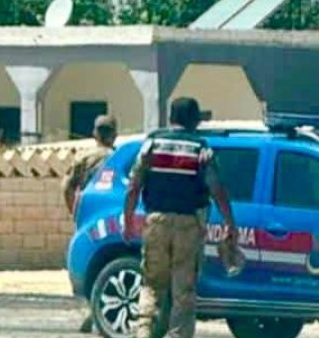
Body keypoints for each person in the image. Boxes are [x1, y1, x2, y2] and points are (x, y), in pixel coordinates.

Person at [124, 97, 237, 338]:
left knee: (152, 285)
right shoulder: (200, 148)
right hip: (188, 225)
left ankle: (143, 332)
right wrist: (230, 224)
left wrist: (128, 221)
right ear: (193, 120)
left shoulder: (152, 144)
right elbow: (217, 189)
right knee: (182, 292)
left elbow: (133, 186)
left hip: (155, 222)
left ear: (171, 118)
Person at [62, 114, 119, 333]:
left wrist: (74, 213)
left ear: (95, 134)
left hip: (89, 218)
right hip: (114, 220)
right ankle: (100, 313)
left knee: (89, 263)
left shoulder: (84, 158)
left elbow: (67, 187)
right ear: (114, 135)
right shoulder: (116, 158)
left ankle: (95, 312)